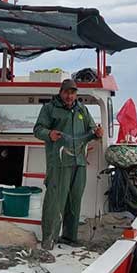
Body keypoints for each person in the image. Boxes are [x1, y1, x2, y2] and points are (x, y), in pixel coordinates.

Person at [34, 79, 103, 250]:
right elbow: (37, 129)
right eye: (67, 92)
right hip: (59, 163)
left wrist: (97, 133)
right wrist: (49, 134)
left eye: (73, 93)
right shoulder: (49, 108)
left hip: (79, 162)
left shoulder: (82, 110)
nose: (70, 96)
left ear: (76, 94)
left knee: (75, 200)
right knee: (55, 201)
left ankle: (69, 237)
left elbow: (92, 129)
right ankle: (49, 239)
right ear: (61, 92)